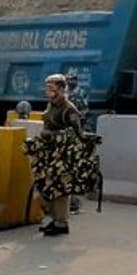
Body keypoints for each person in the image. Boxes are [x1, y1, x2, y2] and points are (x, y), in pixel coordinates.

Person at [38, 74, 83, 236]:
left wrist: (52, 134)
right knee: (46, 186)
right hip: (49, 152)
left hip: (63, 155)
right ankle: (53, 218)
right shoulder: (51, 106)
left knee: (61, 190)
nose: (49, 92)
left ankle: (61, 223)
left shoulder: (69, 109)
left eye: (53, 89)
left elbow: (77, 134)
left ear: (62, 89)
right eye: (48, 89)